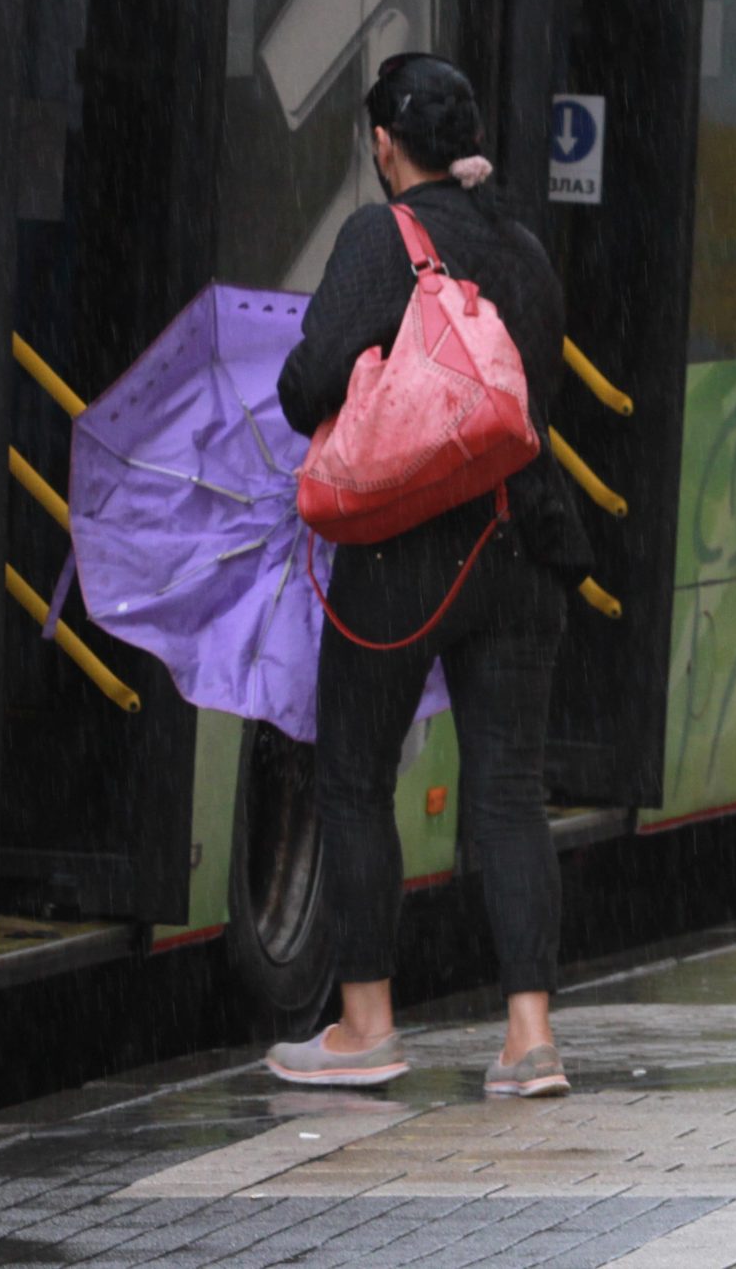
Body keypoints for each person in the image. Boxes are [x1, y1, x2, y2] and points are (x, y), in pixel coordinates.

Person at [268, 53, 594, 1097]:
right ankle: (529, 1037)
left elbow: (307, 384)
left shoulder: (382, 240)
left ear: (382, 147)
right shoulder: (524, 250)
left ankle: (367, 1025)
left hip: (402, 559)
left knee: (357, 779)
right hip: (522, 548)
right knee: (506, 793)